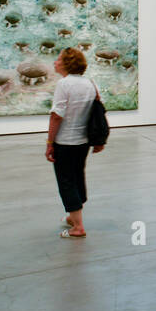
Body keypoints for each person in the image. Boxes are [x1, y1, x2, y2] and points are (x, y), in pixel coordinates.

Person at [46, 47, 104, 239]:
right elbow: (98, 109)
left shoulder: (64, 84)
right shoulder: (89, 83)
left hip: (65, 142)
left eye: (58, 59)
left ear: (66, 63)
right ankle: (73, 217)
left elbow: (56, 116)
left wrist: (49, 142)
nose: (55, 62)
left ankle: (78, 227)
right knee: (77, 177)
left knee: (66, 181)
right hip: (83, 142)